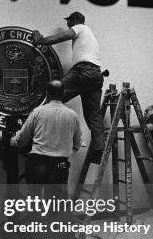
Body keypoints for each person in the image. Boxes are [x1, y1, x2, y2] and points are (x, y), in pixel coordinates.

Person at [10, 80, 82, 239]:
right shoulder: (72, 116)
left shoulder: (38, 112)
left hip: (36, 164)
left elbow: (20, 139)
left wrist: (12, 140)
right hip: (58, 168)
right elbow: (77, 144)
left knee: (32, 205)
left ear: (47, 94)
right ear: (63, 93)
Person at [32, 11, 105, 163]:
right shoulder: (89, 35)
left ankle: (39, 134)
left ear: (75, 20)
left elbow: (61, 37)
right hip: (96, 75)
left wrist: (41, 41)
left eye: (69, 22)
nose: (68, 25)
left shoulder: (81, 28)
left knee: (53, 96)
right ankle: (99, 149)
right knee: (93, 116)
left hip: (83, 71)